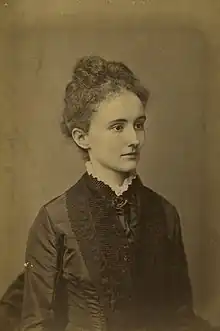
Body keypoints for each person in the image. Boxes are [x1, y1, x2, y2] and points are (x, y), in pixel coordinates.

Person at [1, 56, 218, 331]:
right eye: (118, 127)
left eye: (138, 124)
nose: (134, 139)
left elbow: (179, 315)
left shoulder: (164, 213)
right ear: (82, 137)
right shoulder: (54, 220)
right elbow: (36, 324)